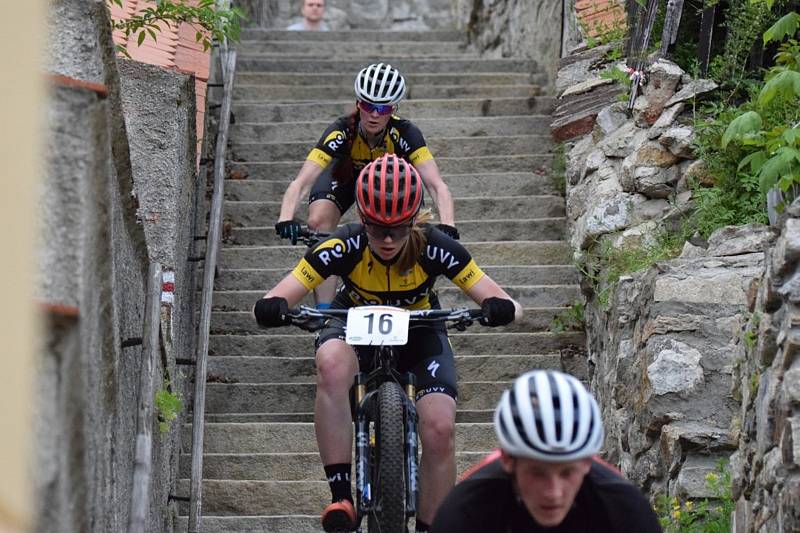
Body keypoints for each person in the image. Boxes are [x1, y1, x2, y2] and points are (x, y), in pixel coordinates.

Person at [254, 153, 521, 533]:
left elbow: (511, 303)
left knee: (440, 426)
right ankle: (341, 495)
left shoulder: (436, 246)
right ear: (362, 219)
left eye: (399, 228)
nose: (390, 239)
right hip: (353, 323)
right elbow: (276, 295)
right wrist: (273, 307)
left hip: (421, 331)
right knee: (330, 363)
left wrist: (499, 308)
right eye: (378, 229)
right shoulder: (343, 244)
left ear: (414, 220)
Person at [274, 62, 456, 308]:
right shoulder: (340, 131)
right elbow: (302, 180)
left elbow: (436, 185)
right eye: (368, 105)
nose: (374, 114)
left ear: (394, 108)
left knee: (407, 228)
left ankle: (407, 295)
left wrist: (448, 224)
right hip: (347, 176)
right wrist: (286, 218)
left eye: (384, 108)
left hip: (391, 186)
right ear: (358, 103)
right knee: (318, 223)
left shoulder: (405, 133)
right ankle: (326, 313)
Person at [430, 370, 662, 533]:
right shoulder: (466, 509)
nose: (553, 493)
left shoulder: (622, 506)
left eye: (567, 473)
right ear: (508, 460)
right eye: (537, 473)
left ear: (587, 463)